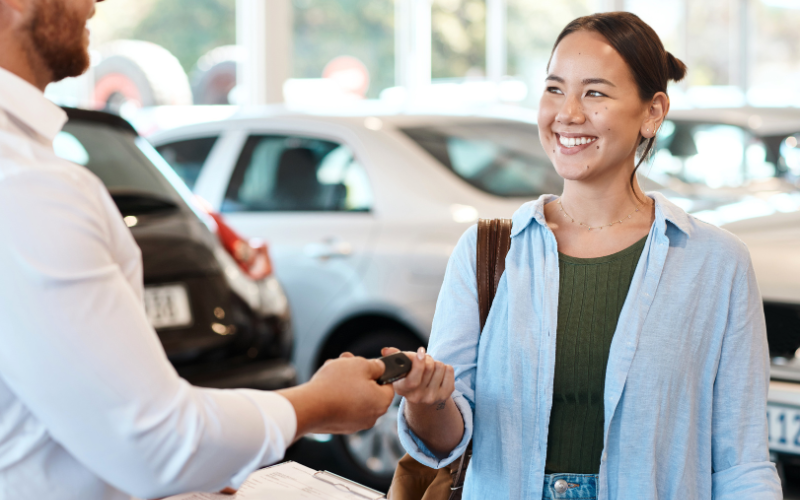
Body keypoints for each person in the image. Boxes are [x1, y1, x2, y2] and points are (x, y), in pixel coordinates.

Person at [0, 1, 394, 499]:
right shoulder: (27, 183)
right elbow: (155, 444)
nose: (93, 2)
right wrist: (315, 405)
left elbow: (55, 420)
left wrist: (201, 467)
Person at [386, 12, 783, 500]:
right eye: (554, 89)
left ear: (653, 111)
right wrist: (426, 402)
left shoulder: (716, 263)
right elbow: (448, 441)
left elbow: (742, 463)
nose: (568, 113)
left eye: (595, 93)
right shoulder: (489, 252)